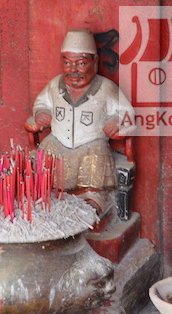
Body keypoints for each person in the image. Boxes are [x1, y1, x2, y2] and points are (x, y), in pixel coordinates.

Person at [25, 29, 134, 221]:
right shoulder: (55, 85)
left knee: (94, 163)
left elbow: (126, 112)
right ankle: (51, 197)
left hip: (91, 143)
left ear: (95, 62)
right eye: (67, 63)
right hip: (58, 141)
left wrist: (116, 120)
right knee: (47, 160)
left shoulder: (106, 88)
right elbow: (41, 103)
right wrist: (41, 113)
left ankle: (92, 200)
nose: (73, 70)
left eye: (81, 63)